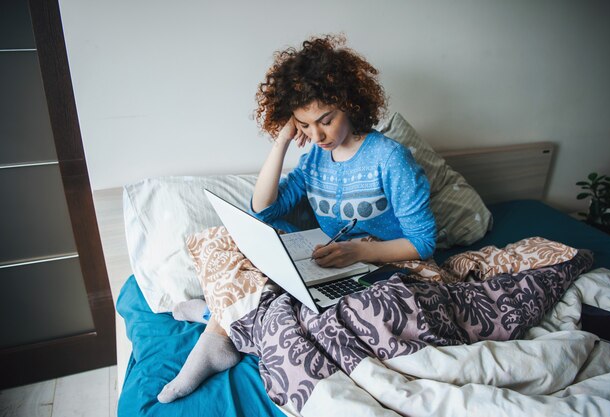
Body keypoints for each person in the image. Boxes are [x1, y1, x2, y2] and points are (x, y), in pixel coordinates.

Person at [157, 34, 436, 404]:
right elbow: (264, 208)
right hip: (335, 259)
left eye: (326, 120)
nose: (317, 135)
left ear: (350, 104)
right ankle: (219, 322)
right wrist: (282, 141)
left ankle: (217, 323)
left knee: (309, 312)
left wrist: (359, 253)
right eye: (305, 125)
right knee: (224, 240)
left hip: (387, 265)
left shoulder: (390, 159)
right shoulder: (315, 159)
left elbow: (423, 242)